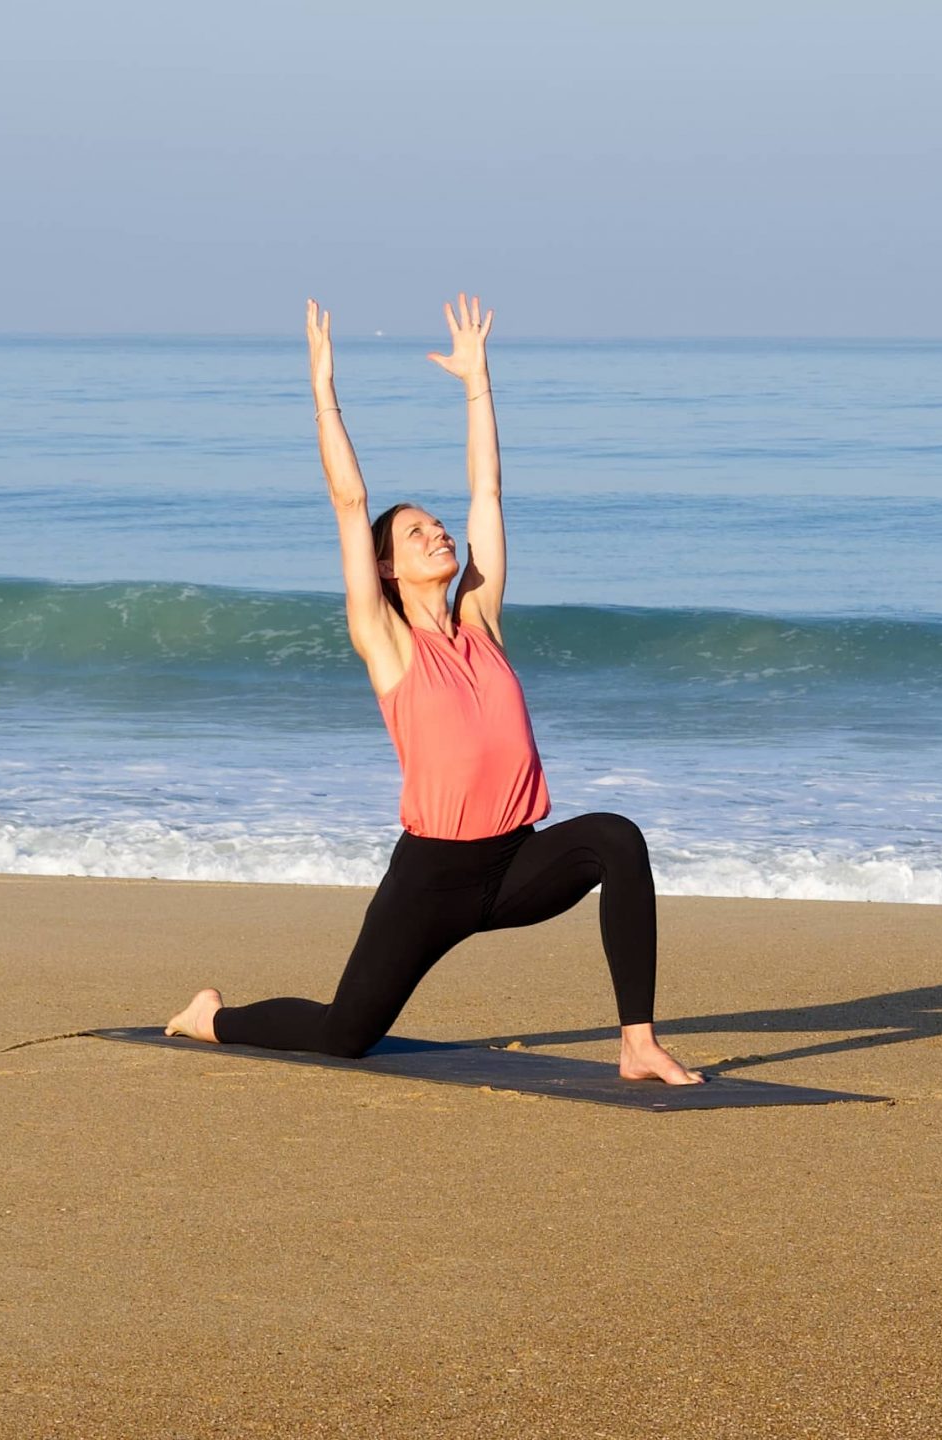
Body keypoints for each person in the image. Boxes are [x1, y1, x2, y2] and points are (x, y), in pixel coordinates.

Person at [163, 295, 704, 1085]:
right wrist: (324, 390)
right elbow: (350, 504)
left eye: (437, 526)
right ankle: (209, 1017)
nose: (438, 534)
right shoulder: (386, 644)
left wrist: (477, 383)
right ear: (388, 566)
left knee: (616, 838)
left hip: (516, 864)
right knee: (347, 1034)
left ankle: (637, 1043)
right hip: (432, 880)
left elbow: (488, 491)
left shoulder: (480, 621)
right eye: (416, 533)